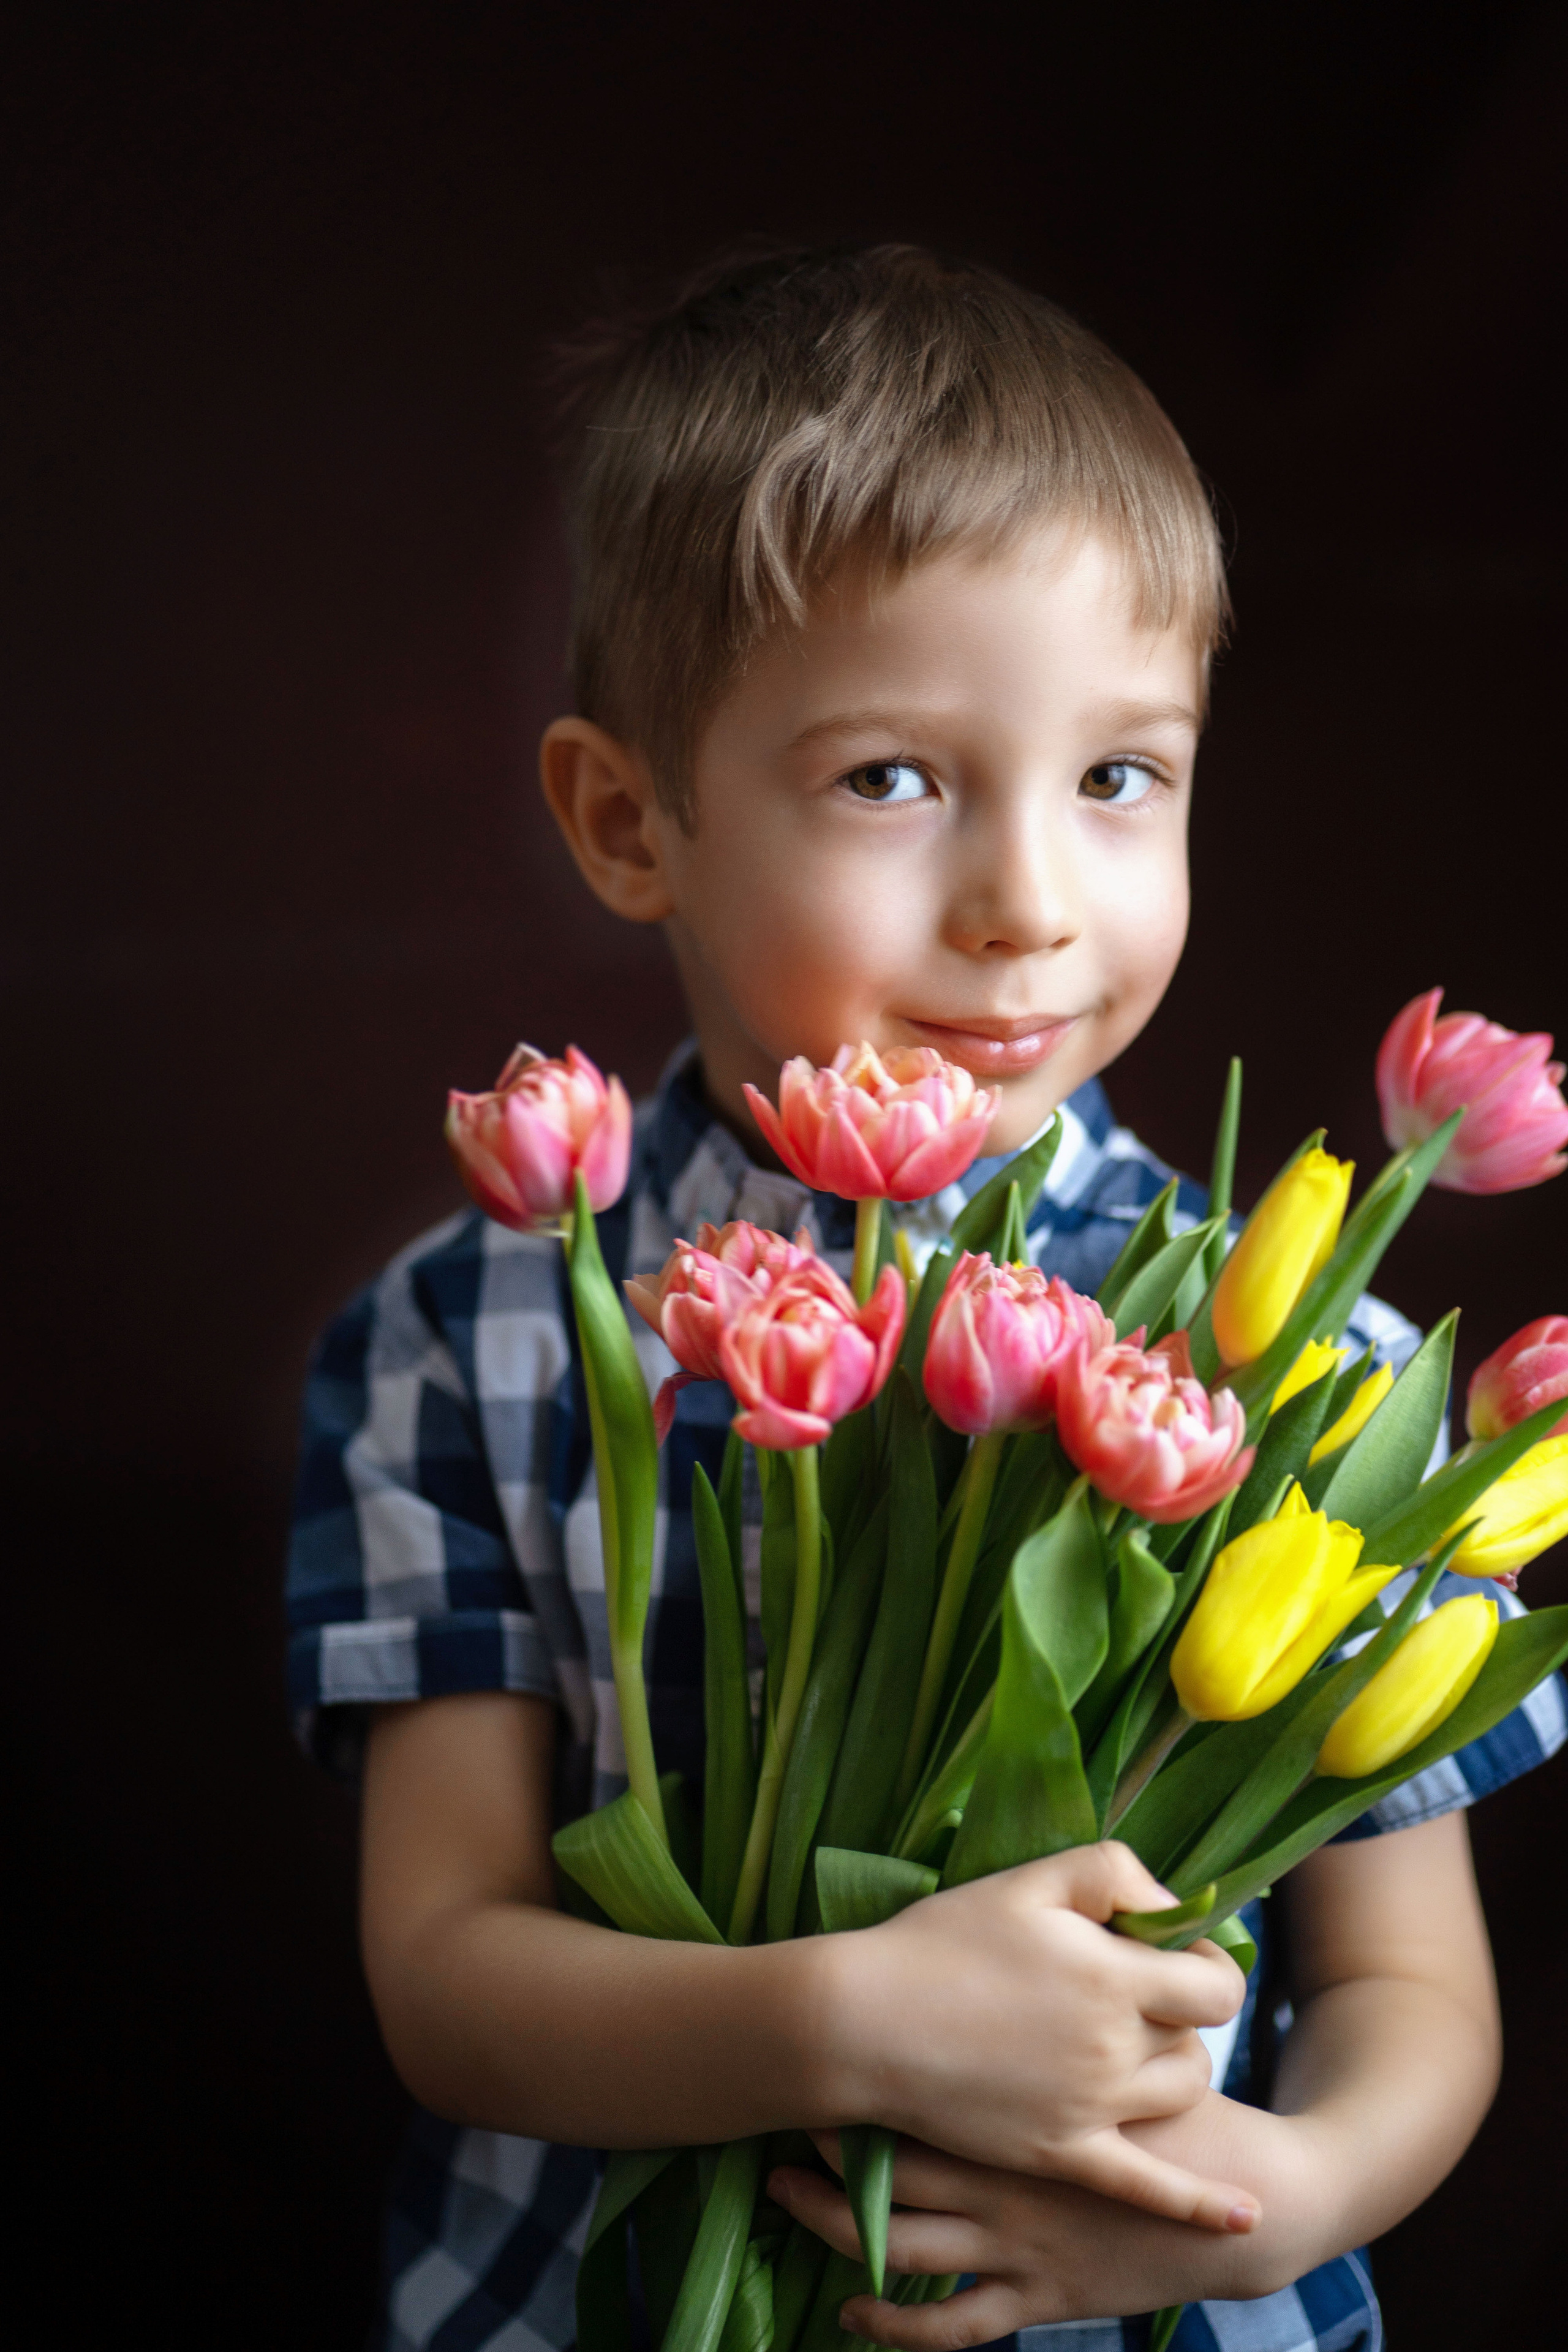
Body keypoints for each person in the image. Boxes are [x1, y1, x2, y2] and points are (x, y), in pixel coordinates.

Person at [287, 246, 1565, 2352]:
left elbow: (1414, 1998)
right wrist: (847, 2021)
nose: (1029, 906)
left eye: (1120, 778)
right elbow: (449, 1979)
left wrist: (1261, 2203)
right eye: (894, 778)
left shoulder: (1308, 1373)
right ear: (632, 821)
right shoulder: (480, 1331)